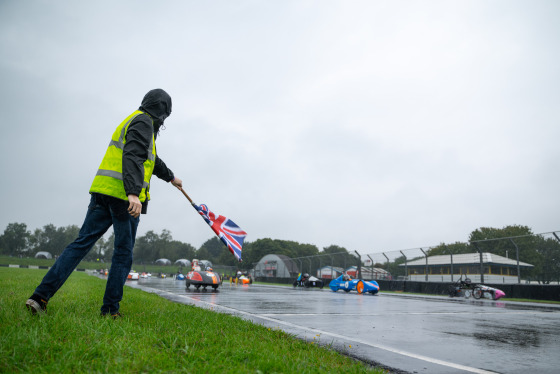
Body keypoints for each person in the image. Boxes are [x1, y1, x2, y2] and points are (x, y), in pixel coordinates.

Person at [25, 89, 182, 318]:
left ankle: (39, 297)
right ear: (162, 111)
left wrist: (170, 177)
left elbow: (150, 158)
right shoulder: (144, 123)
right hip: (123, 198)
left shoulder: (133, 120)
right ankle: (110, 311)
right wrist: (133, 193)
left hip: (102, 192)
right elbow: (133, 156)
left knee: (80, 244)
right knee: (122, 253)